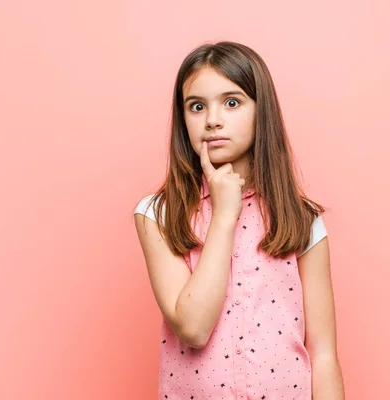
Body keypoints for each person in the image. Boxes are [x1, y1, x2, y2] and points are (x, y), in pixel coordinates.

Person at [134, 41, 345, 399]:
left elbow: (323, 353)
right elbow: (194, 328)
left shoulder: (301, 220)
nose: (213, 119)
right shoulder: (159, 213)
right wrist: (224, 215)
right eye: (197, 106)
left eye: (231, 103)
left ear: (261, 111)